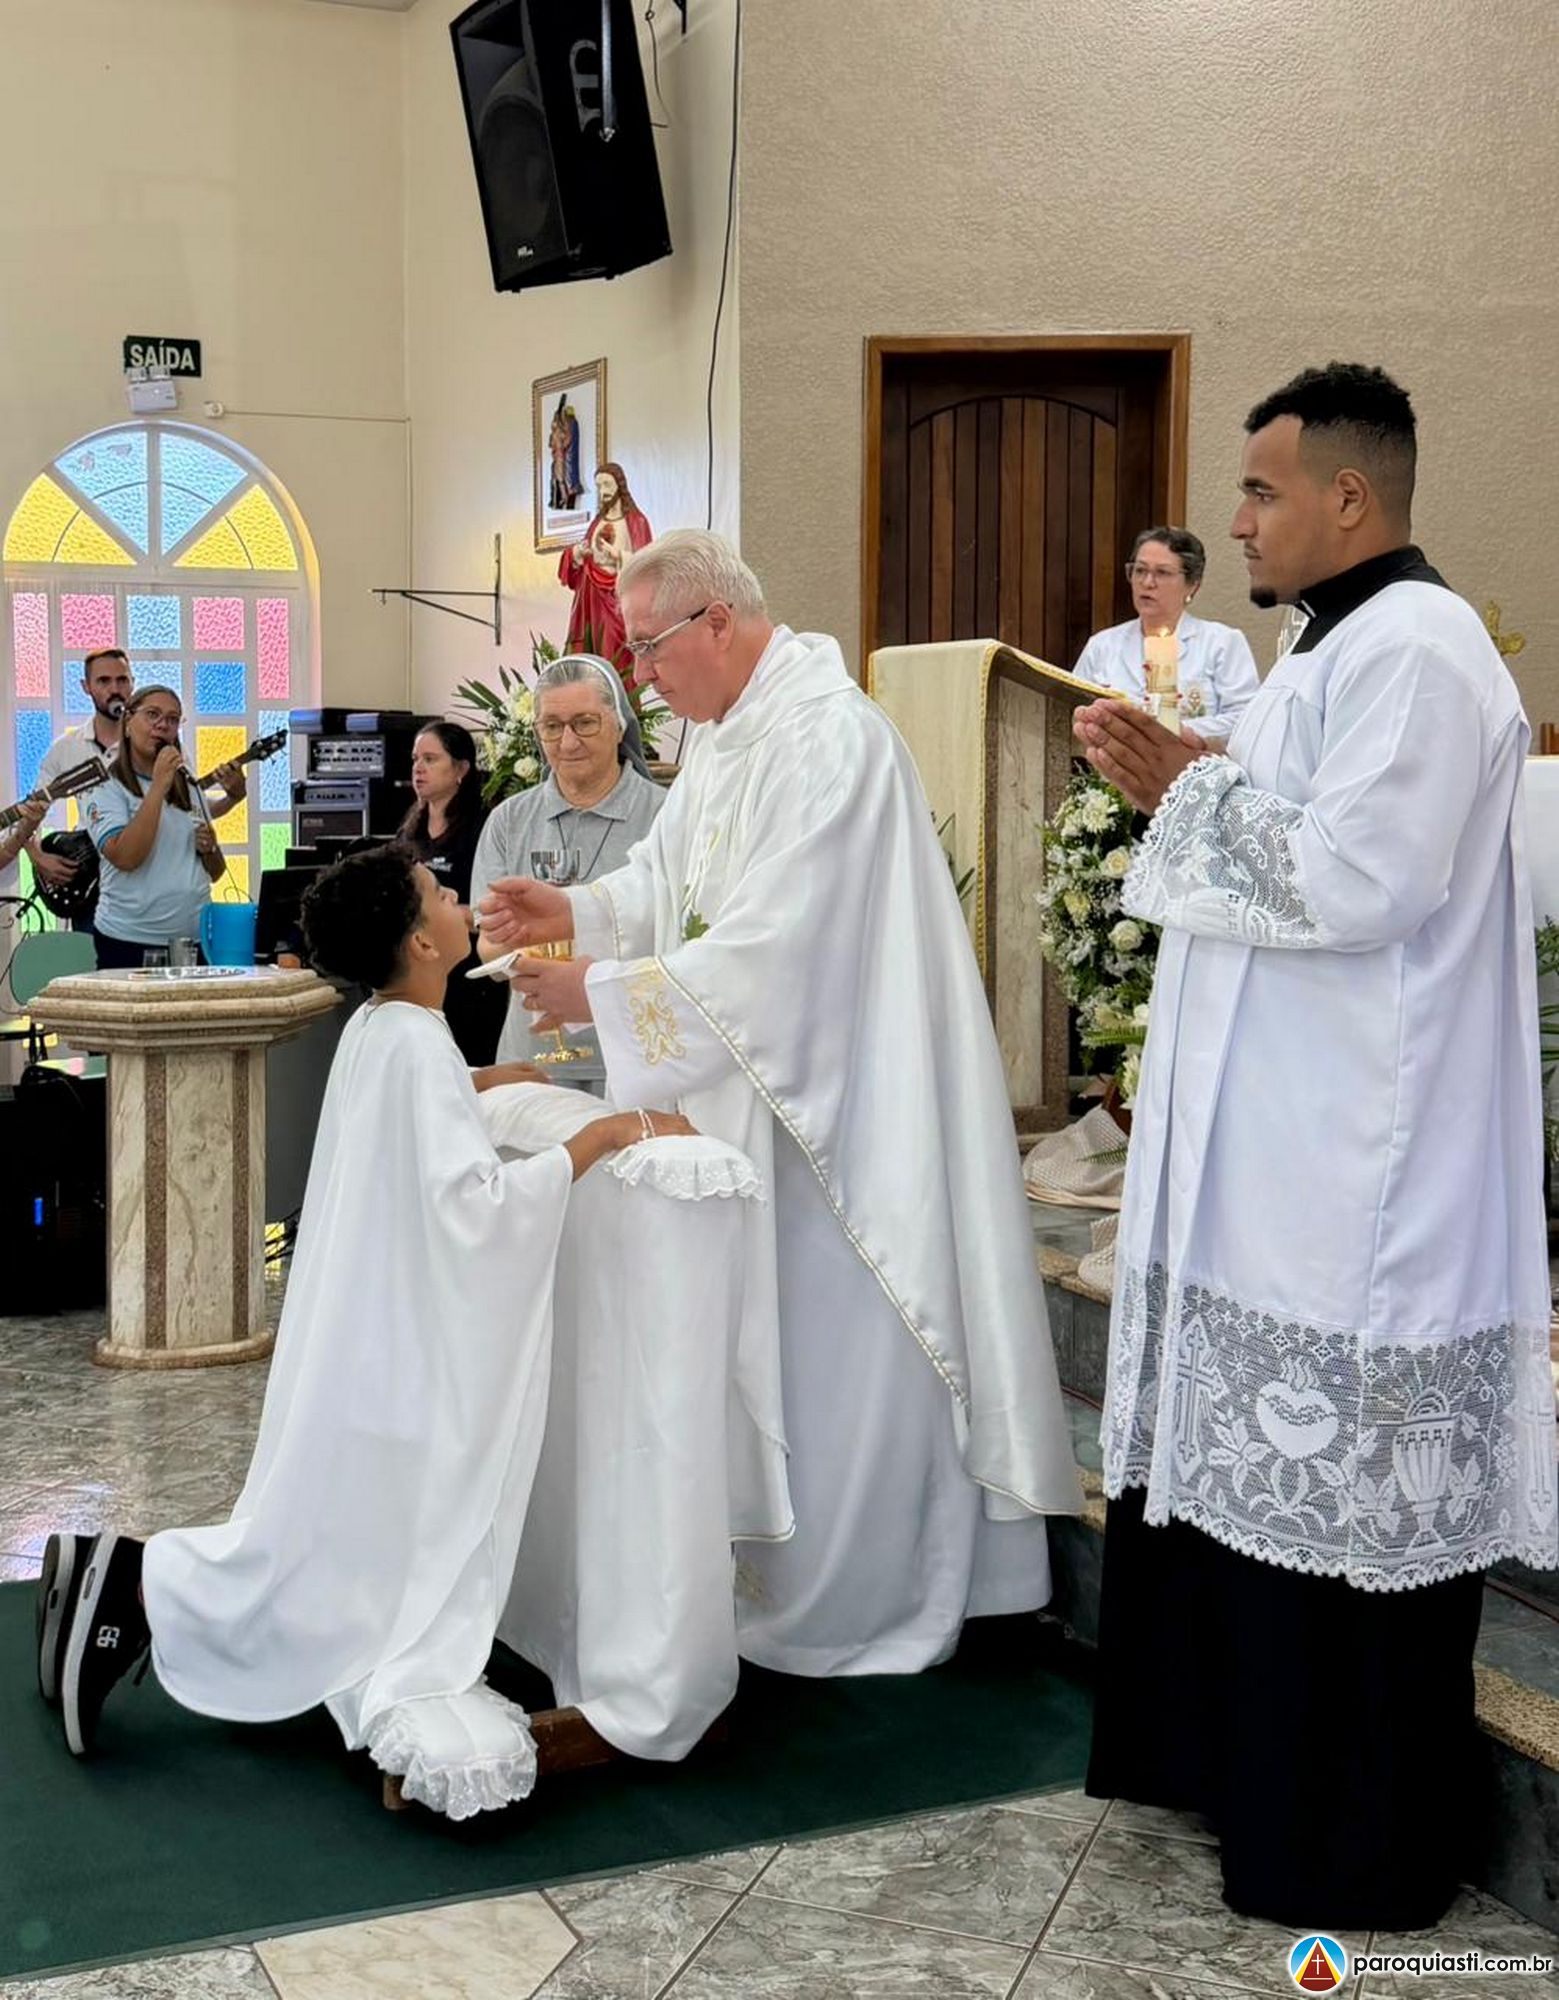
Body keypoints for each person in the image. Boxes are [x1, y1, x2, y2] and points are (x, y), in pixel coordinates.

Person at [1072, 362, 1558, 1929]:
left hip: (1361, 1166)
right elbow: (1296, 828)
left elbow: (1361, 880)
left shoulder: (1415, 648)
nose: (1232, 521)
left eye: (1258, 490)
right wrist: (1193, 779)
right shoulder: (1327, 644)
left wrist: (1185, 790)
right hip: (1283, 1153)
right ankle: (1236, 1775)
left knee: (1331, 1498)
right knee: (1244, 1496)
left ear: (1347, 497)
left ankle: (1343, 1843)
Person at [482, 529, 1083, 1679]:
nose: (641, 676)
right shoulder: (723, 731)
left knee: (833, 1346)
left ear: (715, 620)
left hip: (841, 1110)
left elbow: (784, 943)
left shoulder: (828, 738)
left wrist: (602, 993)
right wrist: (576, 909)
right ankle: (757, 1576)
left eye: (648, 648)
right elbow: (672, 879)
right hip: (756, 1088)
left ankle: (859, 1595)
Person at [35, 844, 694, 1814]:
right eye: (440, 893)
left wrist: (480, 1080)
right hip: (397, 1353)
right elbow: (472, 1209)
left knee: (317, 1531)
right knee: (332, 1551)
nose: (459, 899)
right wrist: (596, 1137)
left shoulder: (386, 1025)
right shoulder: (414, 1040)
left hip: (359, 1334)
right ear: (421, 941)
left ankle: (122, 1574)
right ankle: (135, 1587)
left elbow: (402, 1117)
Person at [472, 655, 665, 1091]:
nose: (568, 741)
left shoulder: (665, 815)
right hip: (533, 1057)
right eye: (552, 726)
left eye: (585, 723)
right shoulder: (509, 821)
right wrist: (525, 949)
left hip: (635, 1055)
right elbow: (488, 946)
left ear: (619, 725)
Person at [28, 649, 246, 924]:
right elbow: (29, 813)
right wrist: (37, 856)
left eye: (122, 680)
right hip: (90, 879)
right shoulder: (66, 749)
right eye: (104, 681)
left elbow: (190, 808)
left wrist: (232, 798)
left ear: (132, 683)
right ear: (86, 687)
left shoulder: (169, 749)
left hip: (151, 884)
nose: (114, 689)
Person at [79, 685, 226, 969]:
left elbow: (217, 872)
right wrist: (159, 786)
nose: (162, 725)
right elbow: (125, 857)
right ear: (128, 722)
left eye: (172, 719)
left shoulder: (189, 785)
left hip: (193, 939)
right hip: (128, 940)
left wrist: (210, 849)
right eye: (152, 714)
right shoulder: (104, 786)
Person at [1072, 528, 1260, 746]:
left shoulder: (1222, 643)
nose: (1147, 582)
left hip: (1190, 760)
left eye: (1162, 573)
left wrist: (1174, 730)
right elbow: (1073, 711)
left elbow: (1245, 719)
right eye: (1140, 570)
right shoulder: (1103, 645)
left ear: (1193, 585)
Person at [398, 719, 505, 1065]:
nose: (418, 768)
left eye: (430, 759)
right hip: (421, 970)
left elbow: (496, 907)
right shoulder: (411, 828)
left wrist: (451, 915)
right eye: (416, 759)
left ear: (460, 769)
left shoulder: (484, 827)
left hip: (470, 973)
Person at [558, 463, 654, 690]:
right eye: (599, 486)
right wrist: (577, 553)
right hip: (590, 597)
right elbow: (581, 559)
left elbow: (646, 565)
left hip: (617, 599)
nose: (603, 491)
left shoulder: (636, 522)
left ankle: (619, 699)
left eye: (607, 484)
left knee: (615, 652)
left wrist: (618, 555)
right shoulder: (597, 522)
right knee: (589, 653)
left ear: (620, 485)